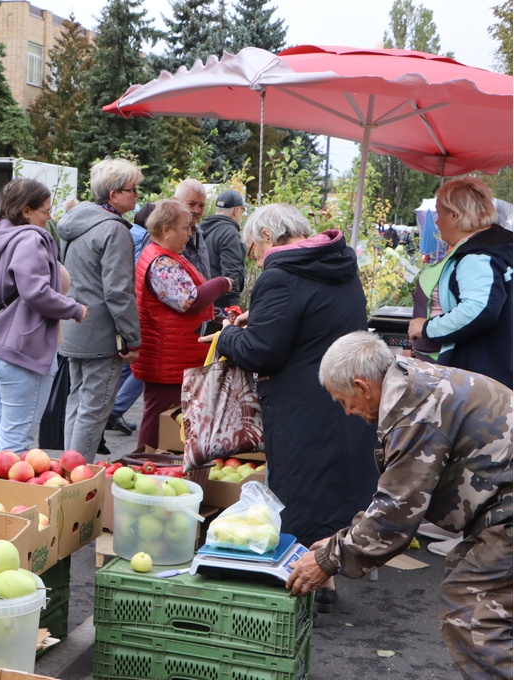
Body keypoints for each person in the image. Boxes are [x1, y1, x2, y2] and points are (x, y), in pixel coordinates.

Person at [286, 331, 512, 680]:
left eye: (344, 401)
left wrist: (329, 558)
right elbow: (398, 493)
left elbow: (396, 513)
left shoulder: (414, 411)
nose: (347, 412)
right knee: (470, 577)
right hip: (502, 504)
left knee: (470, 607)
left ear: (362, 386)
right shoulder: (410, 379)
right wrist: (341, 541)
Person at [212, 203, 378, 613]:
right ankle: (329, 579)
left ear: (268, 237)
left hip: (299, 402)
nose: (255, 258)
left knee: (301, 489)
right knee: (335, 485)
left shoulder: (281, 274)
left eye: (252, 248)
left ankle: (307, 588)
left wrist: (228, 335)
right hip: (344, 395)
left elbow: (263, 352)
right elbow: (312, 321)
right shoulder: (338, 264)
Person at [0, 179, 86, 452]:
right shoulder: (29, 238)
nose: (49, 217)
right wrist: (73, 308)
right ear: (26, 211)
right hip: (21, 351)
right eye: (45, 210)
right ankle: (5, 495)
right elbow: (35, 292)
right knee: (16, 441)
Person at [57, 158, 141, 462]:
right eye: (133, 190)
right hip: (101, 334)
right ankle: (76, 479)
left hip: (74, 325)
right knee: (93, 411)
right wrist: (133, 339)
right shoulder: (113, 230)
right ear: (114, 194)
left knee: (77, 402)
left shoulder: (74, 221)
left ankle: (67, 471)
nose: (136, 196)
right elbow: (118, 292)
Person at [133, 201, 231, 448]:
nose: (190, 233)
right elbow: (189, 300)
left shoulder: (164, 256)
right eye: (186, 228)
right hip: (167, 358)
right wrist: (221, 283)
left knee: (162, 416)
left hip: (171, 355)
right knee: (159, 419)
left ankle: (152, 463)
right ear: (166, 230)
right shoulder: (162, 262)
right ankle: (146, 462)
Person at [407, 177, 512, 388]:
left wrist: (427, 328)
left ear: (454, 216)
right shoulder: (503, 244)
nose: (436, 221)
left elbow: (478, 309)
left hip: (481, 377)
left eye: (439, 213)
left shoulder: (478, 256)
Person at [106, 201, 158, 437]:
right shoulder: (145, 239)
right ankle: (114, 409)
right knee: (142, 362)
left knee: (128, 365)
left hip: (128, 305)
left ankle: (112, 407)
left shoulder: (127, 232)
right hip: (133, 305)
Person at [201, 189, 248, 309]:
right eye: (242, 210)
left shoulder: (202, 229)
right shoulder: (229, 233)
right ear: (236, 210)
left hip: (204, 299)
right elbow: (231, 273)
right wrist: (234, 305)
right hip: (222, 305)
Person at [173, 179, 211, 277]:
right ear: (175, 202)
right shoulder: (164, 234)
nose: (197, 210)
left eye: (201, 206)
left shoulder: (197, 232)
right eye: (191, 204)